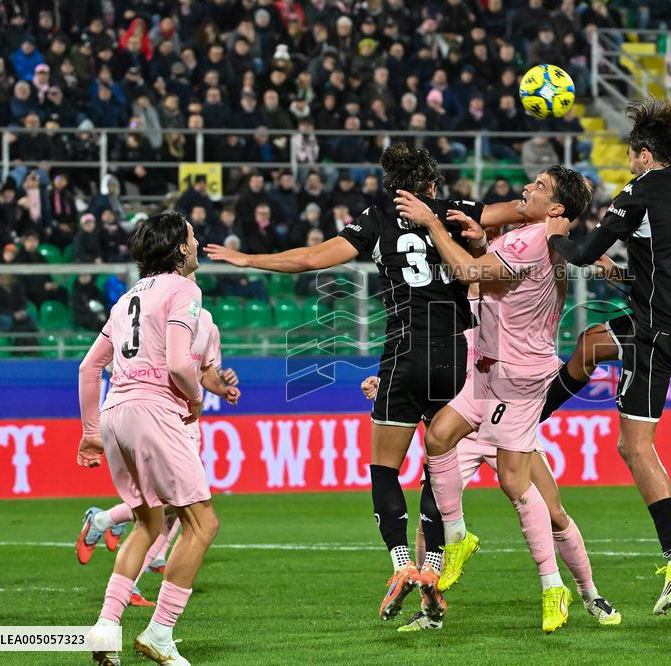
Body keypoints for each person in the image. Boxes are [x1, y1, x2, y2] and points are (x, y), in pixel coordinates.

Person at [205, 144, 522, 627]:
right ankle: (433, 571)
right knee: (438, 465)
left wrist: (249, 259)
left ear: (393, 187)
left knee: (384, 467)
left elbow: (314, 258)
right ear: (432, 186)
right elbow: (520, 209)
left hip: (405, 348)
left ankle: (402, 564)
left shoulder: (376, 219)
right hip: (454, 352)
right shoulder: (457, 213)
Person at [393, 164, 593, 633]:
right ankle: (458, 537)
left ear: (557, 208)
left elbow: (466, 274)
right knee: (438, 437)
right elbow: (496, 280)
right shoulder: (531, 236)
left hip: (516, 379)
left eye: (539, 186)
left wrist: (432, 223)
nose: (527, 187)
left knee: (515, 484)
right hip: (488, 370)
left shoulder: (534, 238)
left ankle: (557, 588)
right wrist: (483, 243)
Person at [535, 98, 671, 615]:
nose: (629, 164)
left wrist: (557, 237)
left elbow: (584, 252)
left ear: (644, 154)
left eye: (632, 156)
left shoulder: (641, 189)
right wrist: (625, 276)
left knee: (634, 447)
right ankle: (536, 417)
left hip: (655, 330)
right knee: (592, 342)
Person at [360, 279, 621, 632]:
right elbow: (433, 376)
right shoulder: (452, 326)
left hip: (507, 429)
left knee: (555, 513)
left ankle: (589, 594)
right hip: (463, 433)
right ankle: (429, 609)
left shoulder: (513, 325)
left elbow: (540, 378)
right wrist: (384, 384)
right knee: (428, 526)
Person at [77, 210, 216, 665]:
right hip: (154, 408)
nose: (197, 244)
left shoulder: (124, 301)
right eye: (193, 238)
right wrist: (195, 400)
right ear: (180, 248)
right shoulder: (184, 290)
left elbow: (88, 367)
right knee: (202, 524)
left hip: (116, 411)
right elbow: (179, 364)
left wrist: (91, 433)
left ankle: (105, 626)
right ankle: (160, 631)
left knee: (147, 521)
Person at [77, 276, 240, 608]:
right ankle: (105, 522)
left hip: (184, 422)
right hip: (159, 414)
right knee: (180, 510)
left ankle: (124, 590)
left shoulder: (206, 322)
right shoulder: (155, 308)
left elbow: (205, 370)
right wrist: (192, 397)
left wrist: (221, 386)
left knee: (168, 511)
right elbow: (118, 363)